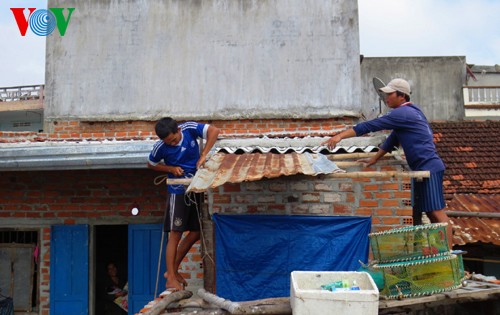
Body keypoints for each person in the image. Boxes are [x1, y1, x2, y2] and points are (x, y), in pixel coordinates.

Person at [322, 78, 453, 248]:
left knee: (437, 213)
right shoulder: (410, 113)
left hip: (429, 167)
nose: (386, 98)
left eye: (390, 94)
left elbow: (370, 125)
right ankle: (439, 251)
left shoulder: (402, 113)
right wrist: (373, 159)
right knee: (429, 211)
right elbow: (392, 140)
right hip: (425, 166)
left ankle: (448, 254)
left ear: (401, 96)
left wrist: (339, 136)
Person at [148, 117, 220, 292]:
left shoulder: (188, 128)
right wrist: (170, 169)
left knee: (195, 232)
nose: (171, 144)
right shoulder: (160, 147)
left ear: (178, 130)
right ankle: (171, 277)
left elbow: (214, 131)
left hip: (195, 187)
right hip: (177, 191)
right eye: (168, 143)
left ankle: (172, 270)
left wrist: (204, 155)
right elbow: (151, 164)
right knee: (175, 234)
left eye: (173, 140)